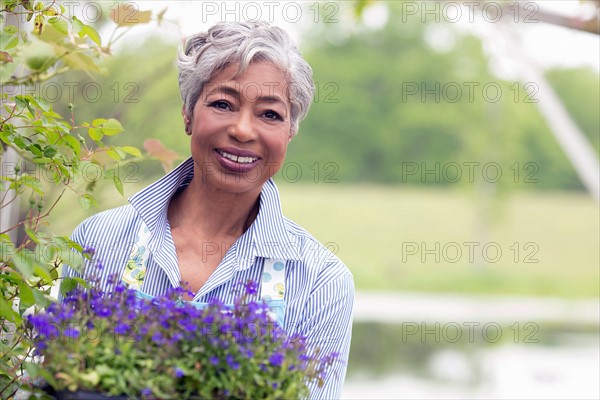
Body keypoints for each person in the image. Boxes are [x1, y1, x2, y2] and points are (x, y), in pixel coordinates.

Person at [61, 21, 354, 398]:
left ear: (290, 131)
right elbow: (60, 378)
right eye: (222, 104)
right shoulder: (98, 240)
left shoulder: (322, 281)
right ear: (187, 113)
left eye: (270, 114)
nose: (244, 130)